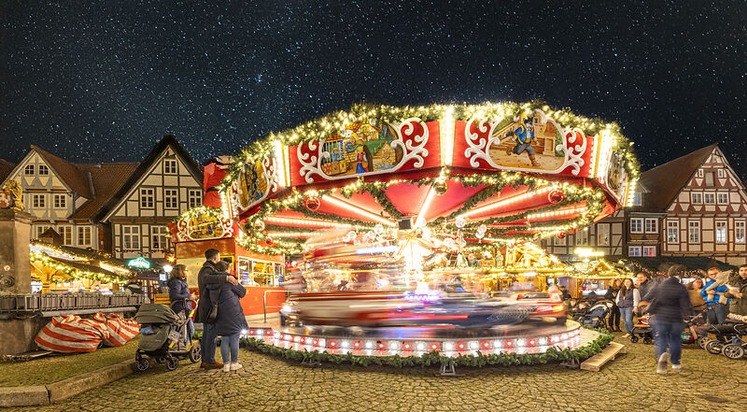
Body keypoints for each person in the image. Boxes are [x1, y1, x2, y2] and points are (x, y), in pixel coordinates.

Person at [196, 248, 238, 370]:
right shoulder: (207, 269)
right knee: (210, 335)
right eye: (218, 257)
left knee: (208, 334)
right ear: (215, 258)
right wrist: (226, 278)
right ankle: (209, 360)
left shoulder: (207, 269)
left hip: (207, 307)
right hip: (209, 308)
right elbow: (206, 279)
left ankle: (207, 359)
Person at [647, 267, 692, 374]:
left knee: (661, 338)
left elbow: (649, 297)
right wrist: (688, 318)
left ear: (668, 274)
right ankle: (675, 363)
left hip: (661, 317)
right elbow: (685, 305)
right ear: (680, 275)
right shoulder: (681, 288)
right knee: (675, 340)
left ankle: (661, 360)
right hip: (677, 317)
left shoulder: (660, 286)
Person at [208, 260, 248, 372]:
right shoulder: (230, 280)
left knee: (225, 338)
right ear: (227, 269)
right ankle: (234, 363)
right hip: (232, 312)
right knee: (234, 337)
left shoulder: (212, 281)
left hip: (219, 312)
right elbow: (243, 292)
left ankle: (226, 364)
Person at [167, 264, 195, 339]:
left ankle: (175, 345)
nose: (188, 272)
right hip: (180, 309)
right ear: (181, 271)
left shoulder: (180, 282)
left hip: (183, 308)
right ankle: (174, 346)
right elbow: (175, 295)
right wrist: (189, 296)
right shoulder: (177, 282)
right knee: (183, 329)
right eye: (186, 270)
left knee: (183, 329)